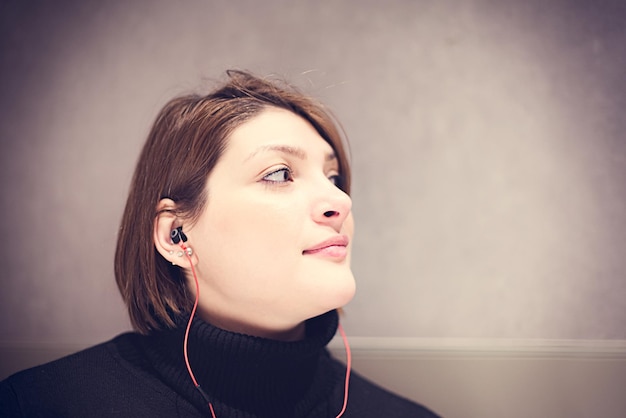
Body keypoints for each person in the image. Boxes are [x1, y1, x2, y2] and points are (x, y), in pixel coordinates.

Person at [0, 70, 440, 417]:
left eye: (334, 178)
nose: (339, 201)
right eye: (280, 174)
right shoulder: (42, 405)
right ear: (176, 235)